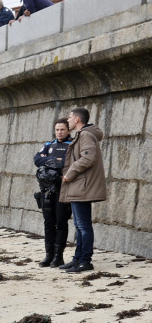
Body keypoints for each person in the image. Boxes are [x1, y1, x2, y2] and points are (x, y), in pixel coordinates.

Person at [58, 108, 106, 273]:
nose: (68, 120)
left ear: (77, 119)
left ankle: (85, 260)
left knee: (83, 226)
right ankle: (78, 258)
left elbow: (88, 158)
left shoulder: (85, 135)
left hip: (82, 187)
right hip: (79, 186)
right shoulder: (82, 135)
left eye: (70, 117)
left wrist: (69, 174)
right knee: (79, 226)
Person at [33, 119, 72, 267]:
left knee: (61, 222)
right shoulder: (49, 144)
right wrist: (55, 160)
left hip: (62, 190)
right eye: (57, 130)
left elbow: (66, 163)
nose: (59, 132)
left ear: (68, 130)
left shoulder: (71, 145)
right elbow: (37, 159)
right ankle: (48, 255)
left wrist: (48, 160)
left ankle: (58, 256)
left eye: (62, 129)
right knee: (48, 223)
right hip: (46, 190)